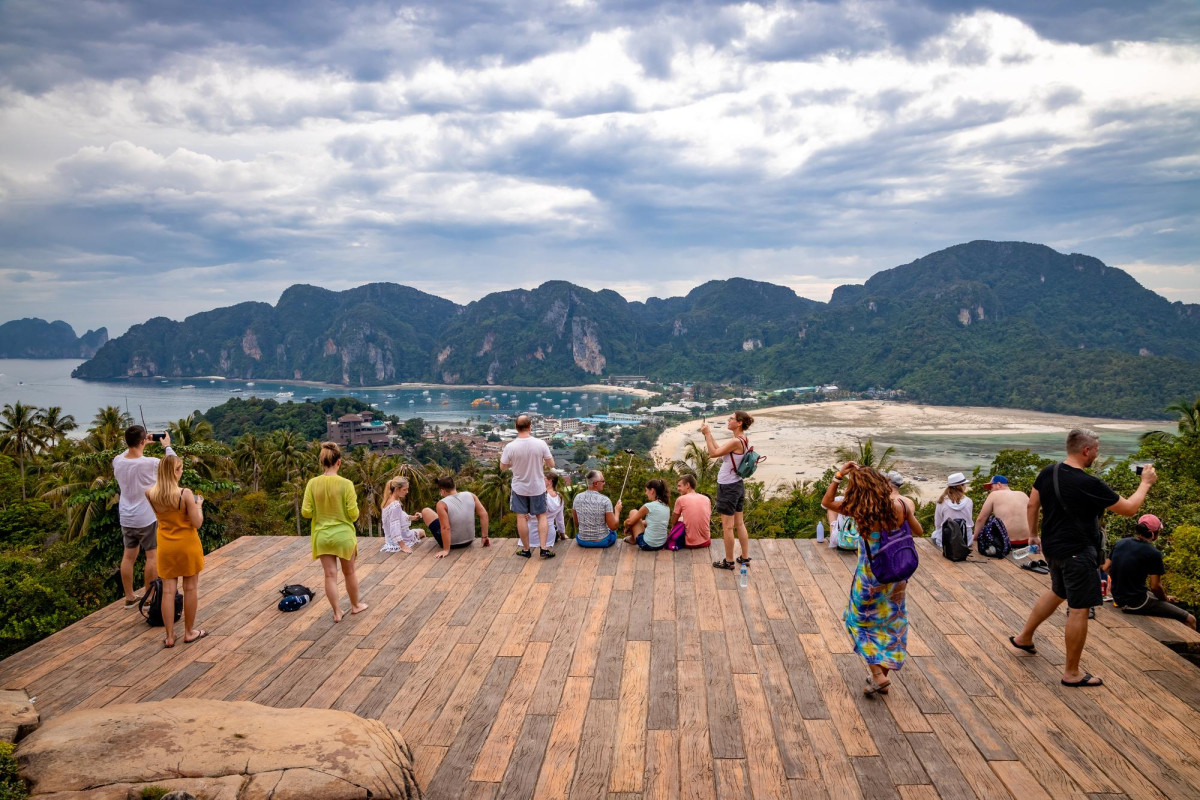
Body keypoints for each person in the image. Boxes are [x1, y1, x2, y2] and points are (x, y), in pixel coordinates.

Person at [1010, 428, 1158, 687]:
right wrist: (1144, 483)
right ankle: (1072, 672)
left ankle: (1024, 637)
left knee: (1057, 591)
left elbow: (1032, 505)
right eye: (1096, 451)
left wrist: (1033, 535)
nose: (1096, 456)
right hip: (1078, 553)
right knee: (1079, 609)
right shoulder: (1089, 484)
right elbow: (1130, 508)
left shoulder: (1049, 472)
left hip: (1053, 548)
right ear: (1086, 450)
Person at [822, 461, 923, 695]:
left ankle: (877, 674)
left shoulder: (859, 510)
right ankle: (879, 677)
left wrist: (839, 475)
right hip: (897, 574)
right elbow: (918, 531)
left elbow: (827, 503)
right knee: (891, 621)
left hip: (871, 576)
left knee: (857, 622)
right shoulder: (901, 504)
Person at [301, 442, 368, 622]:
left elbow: (306, 512)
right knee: (349, 573)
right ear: (339, 462)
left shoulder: (312, 484)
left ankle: (337, 612)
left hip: (322, 536)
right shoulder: (346, 484)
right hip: (343, 535)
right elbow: (353, 514)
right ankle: (355, 606)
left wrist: (320, 511)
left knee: (330, 575)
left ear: (322, 462)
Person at [145, 454, 206, 648]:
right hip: (187, 545)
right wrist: (199, 506)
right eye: (180, 469)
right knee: (190, 588)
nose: (182, 473)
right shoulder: (184, 493)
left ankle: (170, 636)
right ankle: (189, 632)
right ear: (174, 472)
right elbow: (196, 523)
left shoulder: (150, 494)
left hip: (166, 546)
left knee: (168, 592)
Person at [113, 426, 175, 608]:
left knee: (128, 556)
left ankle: (130, 597)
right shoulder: (151, 463)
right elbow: (174, 464)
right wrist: (167, 445)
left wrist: (140, 443)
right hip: (146, 516)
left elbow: (129, 452)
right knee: (152, 556)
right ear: (142, 441)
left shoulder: (117, 461)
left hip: (126, 516)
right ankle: (148, 598)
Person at [1103, 514, 1195, 630]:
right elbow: (1155, 587)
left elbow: (1106, 567)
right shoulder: (1154, 553)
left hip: (1118, 598)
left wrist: (1120, 578)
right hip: (1137, 603)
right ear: (1155, 534)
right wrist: (1165, 600)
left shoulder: (1121, 543)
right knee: (1190, 619)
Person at [702, 410, 754, 570]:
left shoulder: (736, 441)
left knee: (728, 526)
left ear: (739, 423)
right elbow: (720, 451)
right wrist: (709, 436)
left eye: (731, 418)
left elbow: (712, 454)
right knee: (739, 523)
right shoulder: (742, 439)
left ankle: (729, 560)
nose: (728, 420)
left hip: (728, 486)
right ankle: (745, 557)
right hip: (737, 484)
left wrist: (707, 433)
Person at [501, 415, 556, 559]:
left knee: (521, 517)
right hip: (537, 486)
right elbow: (552, 464)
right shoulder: (540, 444)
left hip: (519, 487)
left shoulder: (510, 446)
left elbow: (502, 466)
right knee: (541, 516)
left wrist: (514, 463)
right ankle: (543, 548)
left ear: (516, 427)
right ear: (530, 426)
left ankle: (526, 549)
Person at [426, 474, 490, 559]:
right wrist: (484, 536)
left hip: (452, 544)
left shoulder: (442, 504)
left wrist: (446, 550)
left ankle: (446, 546)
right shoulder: (470, 495)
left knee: (426, 511)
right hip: (469, 540)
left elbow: (446, 528)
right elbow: (484, 515)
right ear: (454, 486)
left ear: (442, 491)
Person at [974, 475, 1032, 547]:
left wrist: (975, 538)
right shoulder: (1023, 494)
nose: (990, 490)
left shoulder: (994, 495)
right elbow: (1032, 516)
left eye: (991, 487)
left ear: (999, 484)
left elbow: (981, 518)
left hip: (1005, 542)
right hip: (1027, 541)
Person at [573, 470, 621, 548]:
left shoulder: (577, 497)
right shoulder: (605, 500)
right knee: (613, 532)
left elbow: (576, 523)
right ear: (596, 483)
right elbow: (613, 526)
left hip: (582, 540)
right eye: (603, 481)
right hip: (602, 541)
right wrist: (617, 511)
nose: (604, 483)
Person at [622, 479, 670, 551]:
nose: (645, 493)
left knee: (633, 512)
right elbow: (653, 522)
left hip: (647, 545)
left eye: (646, 490)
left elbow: (630, 522)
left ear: (652, 491)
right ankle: (632, 538)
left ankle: (633, 539)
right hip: (662, 544)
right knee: (637, 519)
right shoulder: (666, 506)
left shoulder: (649, 506)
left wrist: (626, 525)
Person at [381, 477, 425, 554]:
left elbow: (399, 517)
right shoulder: (396, 505)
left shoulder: (388, 500)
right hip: (400, 539)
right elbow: (395, 527)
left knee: (419, 531)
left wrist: (413, 518)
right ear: (396, 489)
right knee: (422, 532)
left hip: (389, 539)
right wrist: (403, 546)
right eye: (404, 489)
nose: (407, 492)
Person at [932, 472, 974, 548]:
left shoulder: (942, 502)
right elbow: (969, 522)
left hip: (947, 541)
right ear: (961, 486)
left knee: (934, 534)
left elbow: (938, 524)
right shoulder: (969, 501)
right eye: (964, 484)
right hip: (966, 541)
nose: (965, 487)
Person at [670, 474, 712, 548]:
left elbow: (673, 521)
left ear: (687, 485)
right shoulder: (706, 499)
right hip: (706, 541)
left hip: (690, 544)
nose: (678, 488)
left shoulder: (681, 499)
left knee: (680, 518)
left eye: (679, 486)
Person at [529, 473, 566, 549]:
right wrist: (562, 535)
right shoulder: (559, 497)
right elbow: (560, 520)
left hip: (531, 534)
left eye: (542, 478)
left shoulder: (539, 496)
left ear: (550, 481)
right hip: (549, 536)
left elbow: (530, 515)